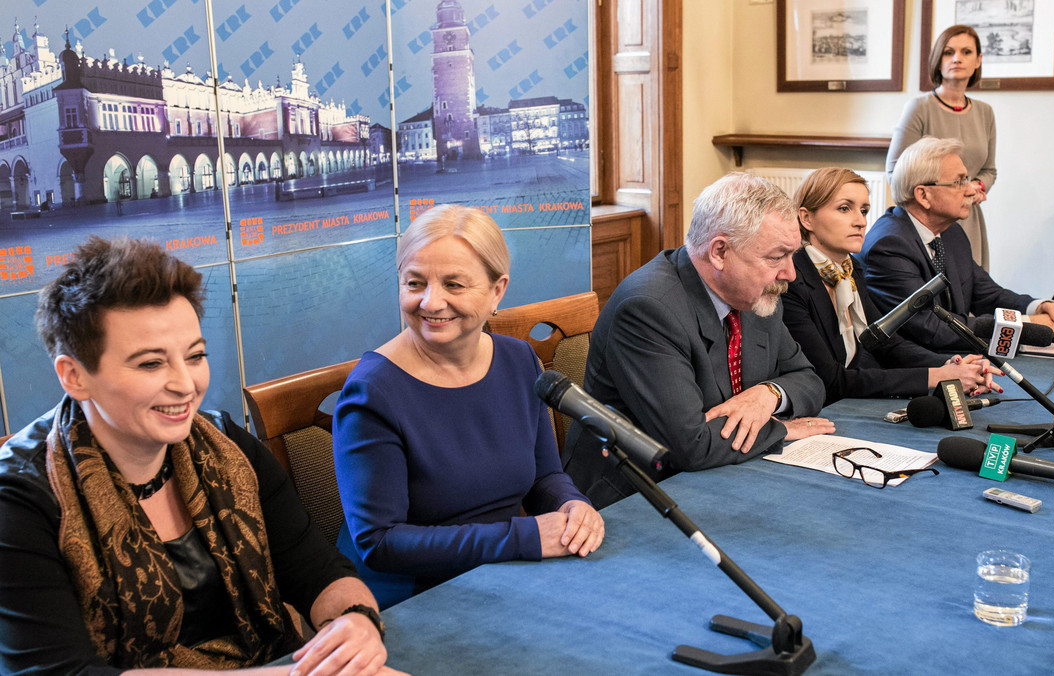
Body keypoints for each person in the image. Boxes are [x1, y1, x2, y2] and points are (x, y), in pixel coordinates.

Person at [0, 237, 402, 675]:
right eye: (151, 364)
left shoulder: (227, 443)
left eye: (195, 356)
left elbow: (318, 569)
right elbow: (60, 672)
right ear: (74, 375)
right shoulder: (18, 499)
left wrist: (357, 622)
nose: (185, 384)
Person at [334, 204, 603, 609]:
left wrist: (572, 505)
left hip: (508, 571)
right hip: (414, 597)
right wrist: (524, 537)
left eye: (454, 285)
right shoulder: (372, 393)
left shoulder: (520, 361)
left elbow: (544, 475)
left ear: (498, 290)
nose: (431, 302)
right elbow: (381, 542)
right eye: (415, 283)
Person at [562, 172, 833, 509]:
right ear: (719, 251)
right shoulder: (648, 308)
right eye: (777, 257)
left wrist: (768, 395)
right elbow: (689, 445)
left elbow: (810, 381)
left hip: (724, 478)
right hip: (633, 498)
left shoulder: (754, 295)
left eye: (793, 255)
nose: (790, 274)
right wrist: (782, 429)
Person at [780, 167, 1001, 405]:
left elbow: (885, 343)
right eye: (845, 208)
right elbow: (832, 380)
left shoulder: (850, 267)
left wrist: (952, 366)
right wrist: (936, 377)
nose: (860, 221)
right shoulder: (791, 280)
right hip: (820, 408)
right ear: (806, 218)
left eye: (864, 210)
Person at [861, 137, 1054, 353]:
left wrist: (1037, 306)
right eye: (959, 182)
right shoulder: (889, 245)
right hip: (913, 368)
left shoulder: (951, 232)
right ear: (923, 195)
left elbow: (986, 294)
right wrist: (1026, 325)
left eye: (968, 179)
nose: (971, 190)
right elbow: (931, 328)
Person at [886, 24, 995, 269]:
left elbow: (989, 170)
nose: (957, 58)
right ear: (937, 60)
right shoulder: (919, 108)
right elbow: (895, 174)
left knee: (971, 294)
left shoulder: (986, 112)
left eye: (966, 52)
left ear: (978, 60)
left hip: (969, 217)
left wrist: (975, 186)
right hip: (927, 222)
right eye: (948, 52)